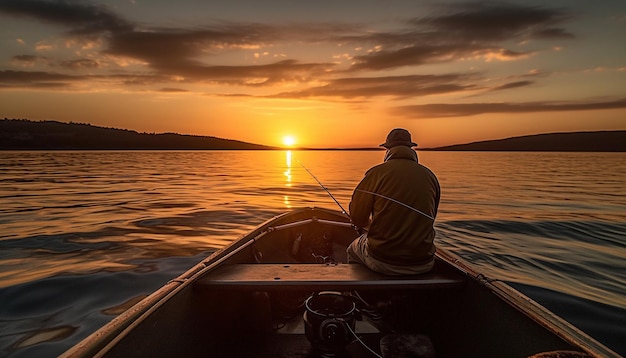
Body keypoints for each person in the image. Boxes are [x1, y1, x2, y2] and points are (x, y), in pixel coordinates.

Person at [347, 128, 440, 275]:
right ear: (411, 148)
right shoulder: (430, 176)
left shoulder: (376, 173)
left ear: (387, 150)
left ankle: (359, 293)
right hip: (424, 261)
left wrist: (367, 226)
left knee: (352, 249)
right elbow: (431, 217)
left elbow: (357, 218)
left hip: (383, 260)